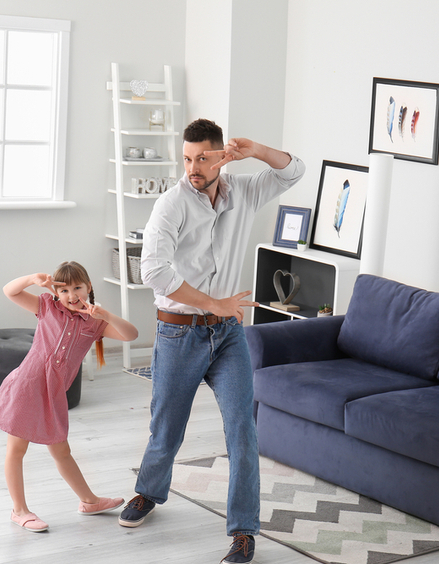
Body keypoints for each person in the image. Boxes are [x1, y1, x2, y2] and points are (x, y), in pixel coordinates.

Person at [119, 119, 305, 564]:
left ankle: (244, 531)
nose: (193, 167)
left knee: (242, 429)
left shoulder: (243, 191)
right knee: (167, 429)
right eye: (186, 158)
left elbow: (293, 170)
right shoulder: (172, 204)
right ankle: (148, 492)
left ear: (222, 155)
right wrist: (213, 302)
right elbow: (155, 273)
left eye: (203, 157)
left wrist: (254, 148)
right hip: (179, 331)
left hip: (226, 337)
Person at [0, 261, 139, 533]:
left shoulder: (95, 322)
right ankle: (19, 510)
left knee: (62, 452)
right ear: (56, 292)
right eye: (64, 290)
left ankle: (89, 501)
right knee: (16, 450)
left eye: (77, 288)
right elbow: (10, 291)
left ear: (88, 287)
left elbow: (131, 334)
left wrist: (107, 316)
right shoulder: (46, 306)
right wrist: (32, 278)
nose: (71, 295)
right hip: (27, 386)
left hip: (54, 393)